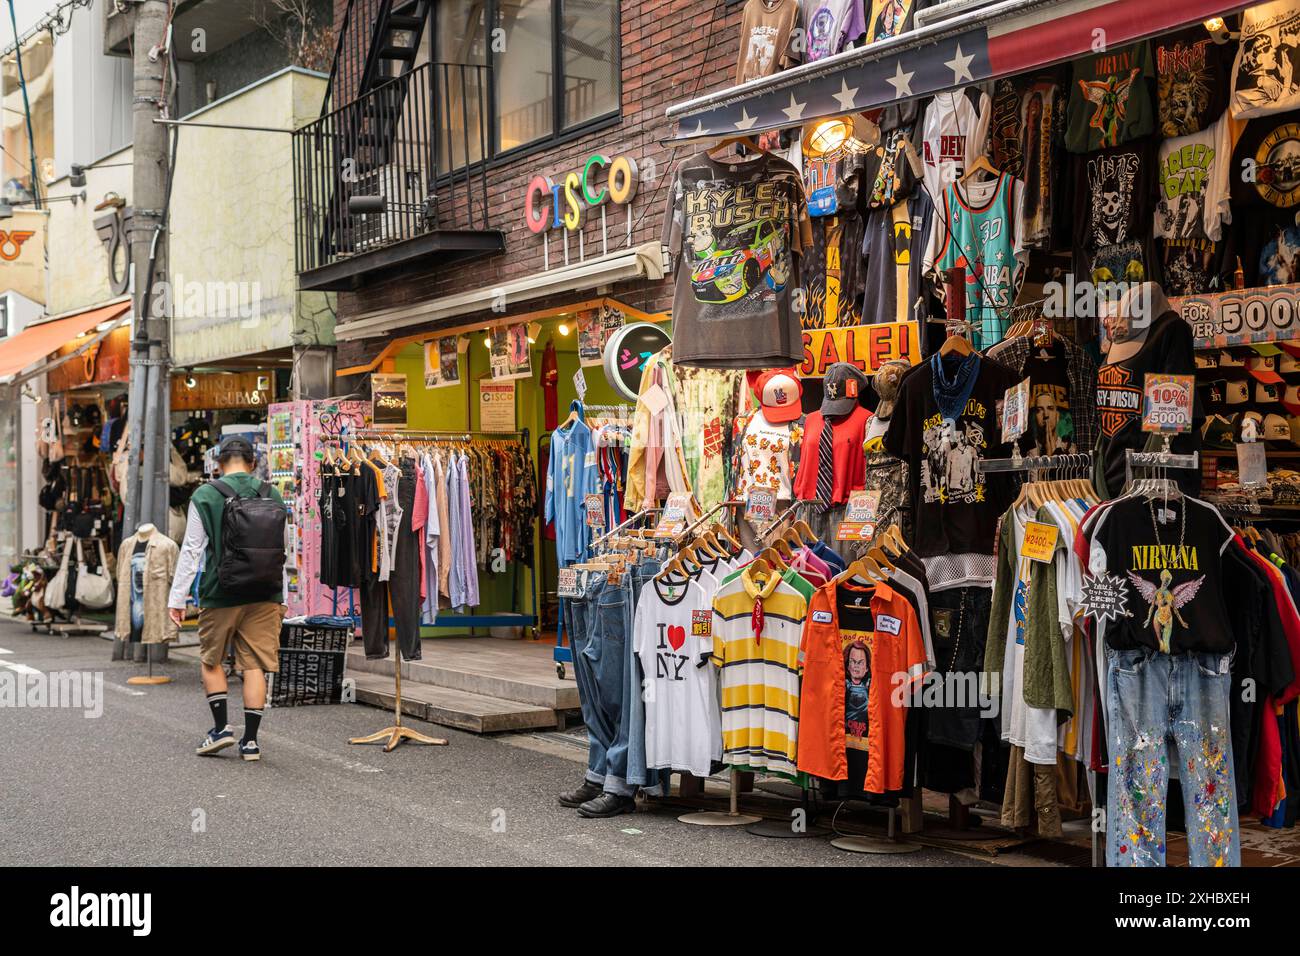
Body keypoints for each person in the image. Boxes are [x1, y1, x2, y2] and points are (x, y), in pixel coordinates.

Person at [167, 434, 286, 761]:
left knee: (211, 660)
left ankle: (220, 729)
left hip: (221, 592)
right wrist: (281, 597)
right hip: (265, 594)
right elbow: (280, 551)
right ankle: (250, 742)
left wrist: (177, 598)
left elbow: (191, 551)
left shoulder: (205, 495)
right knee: (255, 665)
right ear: (252, 463)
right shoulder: (271, 492)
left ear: (218, 464)